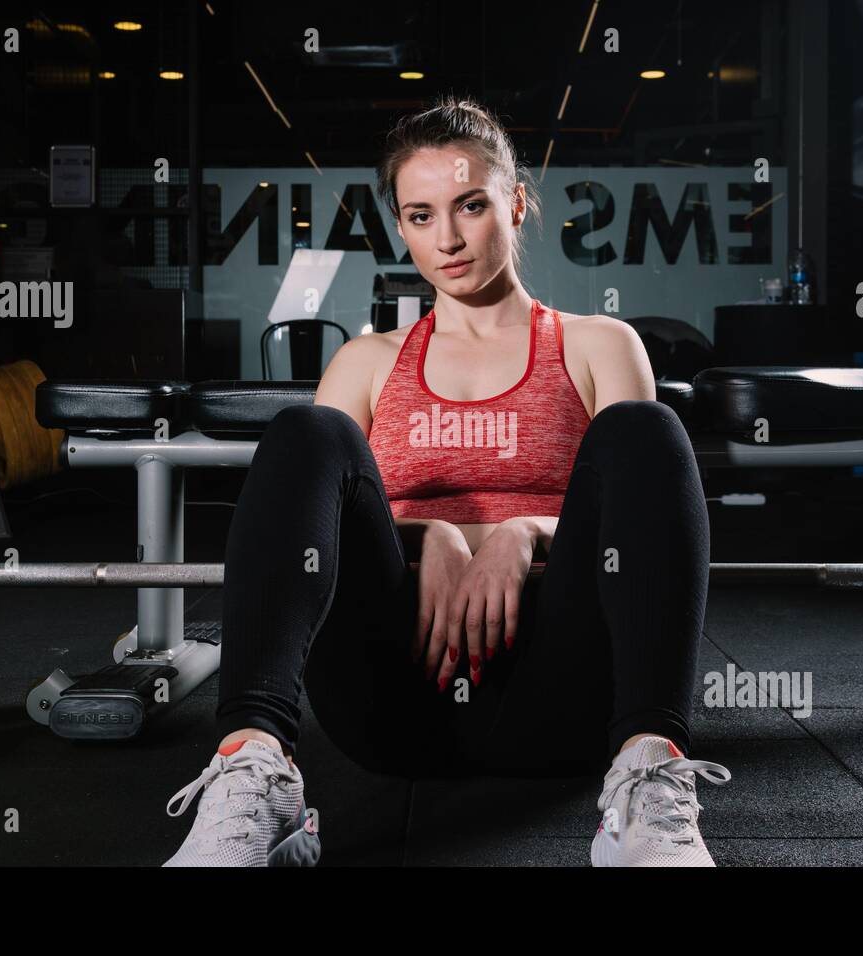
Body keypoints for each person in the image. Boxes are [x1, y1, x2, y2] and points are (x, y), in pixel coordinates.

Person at [163, 94, 730, 868]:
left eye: (470, 205)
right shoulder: (367, 363)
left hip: (566, 699)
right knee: (309, 430)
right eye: (421, 215)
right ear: (401, 226)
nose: (449, 238)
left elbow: (640, 513)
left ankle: (650, 784)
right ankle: (253, 775)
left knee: (647, 429)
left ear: (517, 204)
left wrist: (519, 532)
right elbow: (320, 530)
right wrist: (432, 536)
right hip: (393, 705)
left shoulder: (599, 344)